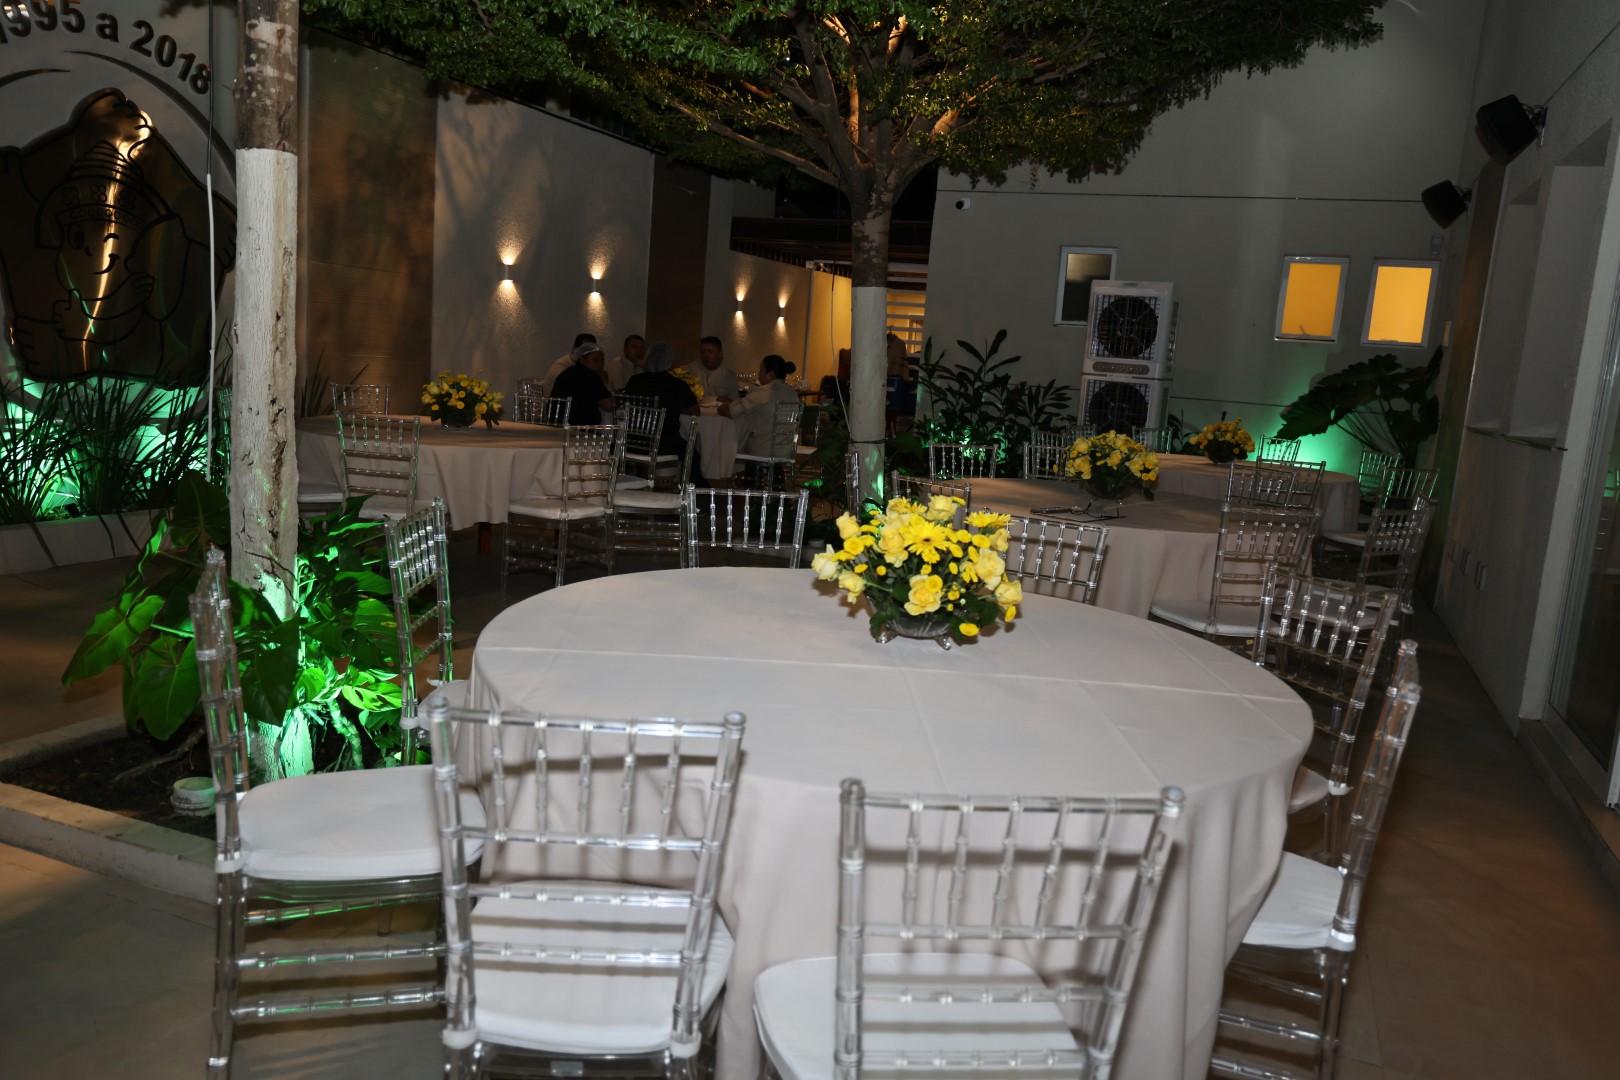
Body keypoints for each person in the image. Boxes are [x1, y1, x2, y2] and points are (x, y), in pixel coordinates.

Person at [622, 342, 699, 457]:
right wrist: (676, 408)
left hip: (633, 442)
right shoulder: (678, 384)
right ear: (670, 361)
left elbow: (625, 404)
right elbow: (695, 411)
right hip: (665, 444)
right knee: (695, 455)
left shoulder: (635, 380)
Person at [722, 354, 801, 457]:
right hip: (787, 451)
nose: (759, 374)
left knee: (732, 445)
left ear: (770, 374)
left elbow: (730, 412)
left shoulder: (763, 393)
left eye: (761, 370)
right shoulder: (793, 394)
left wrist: (720, 406)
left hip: (763, 451)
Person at [550, 341, 616, 425]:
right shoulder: (589, 375)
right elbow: (609, 405)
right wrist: (608, 385)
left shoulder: (568, 371)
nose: (600, 364)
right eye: (595, 360)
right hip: (578, 429)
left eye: (602, 360)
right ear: (582, 359)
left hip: (556, 424)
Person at [541, 332, 596, 396]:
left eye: (592, 350)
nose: (588, 354)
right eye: (584, 350)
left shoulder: (582, 366)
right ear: (575, 349)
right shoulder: (562, 366)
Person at [692, 335, 740, 402]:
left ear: (720, 354)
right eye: (703, 352)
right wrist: (716, 399)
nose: (706, 356)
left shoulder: (729, 376)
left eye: (710, 352)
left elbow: (734, 402)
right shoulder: (691, 370)